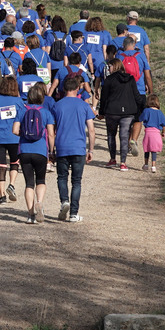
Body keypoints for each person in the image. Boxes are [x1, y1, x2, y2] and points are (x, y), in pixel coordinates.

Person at [53, 77, 97, 223]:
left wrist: (51, 149)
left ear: (64, 89)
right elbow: (91, 130)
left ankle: (64, 201)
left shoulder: (57, 106)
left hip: (62, 146)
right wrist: (90, 150)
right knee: (76, 181)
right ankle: (73, 213)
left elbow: (51, 131)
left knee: (62, 177)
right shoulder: (84, 106)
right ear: (78, 88)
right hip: (78, 147)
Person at [12, 84, 56, 224]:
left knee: (29, 183)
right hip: (40, 151)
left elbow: (14, 130)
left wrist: (24, 134)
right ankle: (40, 202)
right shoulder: (46, 112)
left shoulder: (21, 110)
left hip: (24, 150)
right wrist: (51, 151)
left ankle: (30, 214)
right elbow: (50, 134)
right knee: (41, 180)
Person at [98, 58, 143, 170]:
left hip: (112, 111)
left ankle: (113, 159)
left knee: (111, 135)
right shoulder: (131, 79)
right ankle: (123, 163)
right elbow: (137, 96)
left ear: (115, 66)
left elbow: (104, 98)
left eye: (110, 66)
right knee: (124, 136)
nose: (108, 69)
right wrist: (142, 109)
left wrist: (101, 112)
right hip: (128, 112)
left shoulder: (109, 80)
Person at [0, 76, 25, 205]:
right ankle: (12, 184)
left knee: (1, 165)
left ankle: (2, 195)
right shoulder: (19, 101)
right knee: (14, 162)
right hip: (14, 137)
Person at [139, 93, 165, 172]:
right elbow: (164, 124)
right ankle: (153, 166)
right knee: (154, 150)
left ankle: (146, 164)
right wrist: (163, 132)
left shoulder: (146, 110)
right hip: (156, 133)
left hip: (148, 132)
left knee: (147, 148)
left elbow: (140, 119)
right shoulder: (159, 112)